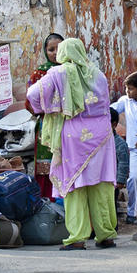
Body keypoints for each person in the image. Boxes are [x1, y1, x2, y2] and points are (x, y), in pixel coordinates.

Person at [26, 38, 118, 250]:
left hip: (74, 138)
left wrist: (50, 107)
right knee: (101, 184)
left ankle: (77, 237)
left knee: (74, 185)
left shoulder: (59, 73)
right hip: (102, 137)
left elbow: (32, 94)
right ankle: (105, 235)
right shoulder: (98, 73)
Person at [111, 71, 137, 226]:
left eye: (131, 89)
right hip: (134, 149)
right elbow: (111, 110)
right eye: (126, 89)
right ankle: (131, 212)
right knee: (133, 178)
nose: (128, 92)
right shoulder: (125, 101)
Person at [27, 32, 64, 198]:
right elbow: (29, 103)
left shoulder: (74, 71)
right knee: (46, 166)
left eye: (59, 48)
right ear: (45, 52)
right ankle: (46, 203)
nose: (56, 53)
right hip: (46, 126)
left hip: (68, 125)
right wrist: (48, 110)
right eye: (51, 49)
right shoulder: (40, 74)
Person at [111, 107, 129, 212]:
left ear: (114, 124)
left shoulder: (120, 144)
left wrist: (120, 180)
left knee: (112, 208)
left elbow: (123, 163)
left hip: (113, 183)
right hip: (101, 182)